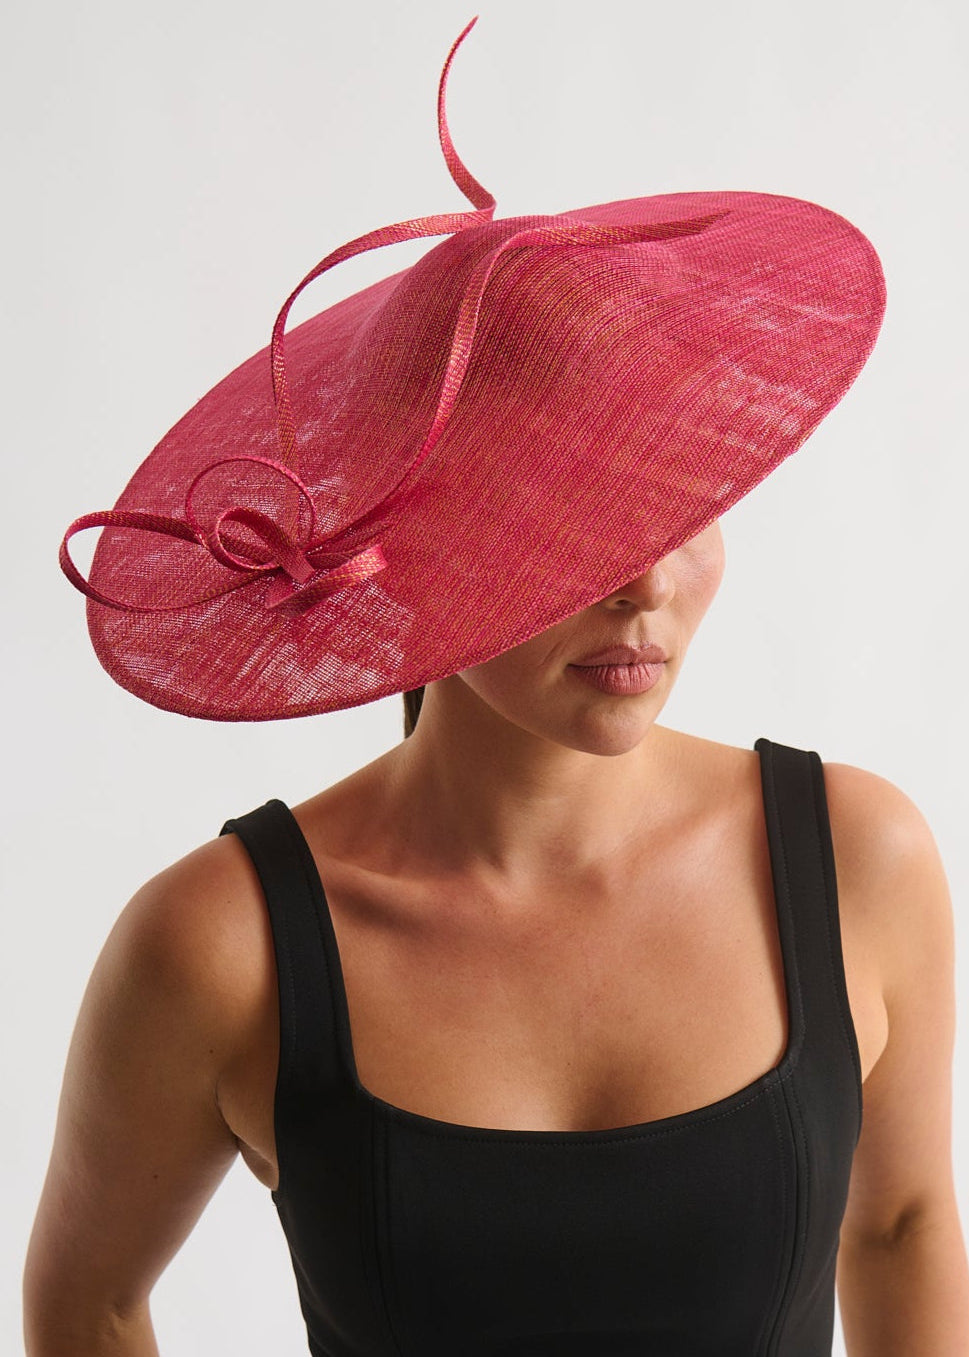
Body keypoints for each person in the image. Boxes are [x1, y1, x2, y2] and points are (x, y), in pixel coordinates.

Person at [25, 16, 969, 1357]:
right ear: (400, 554)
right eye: (566, 528)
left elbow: (903, 1222)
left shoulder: (855, 859)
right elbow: (87, 1299)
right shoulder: (216, 949)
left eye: (676, 504)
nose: (640, 584)